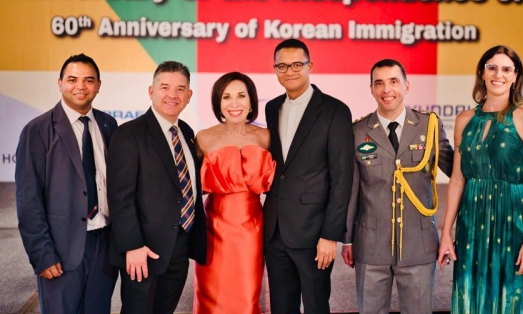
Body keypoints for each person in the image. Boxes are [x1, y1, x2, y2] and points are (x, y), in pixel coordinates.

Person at [437, 45, 523, 313]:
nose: (499, 74)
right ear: (482, 73)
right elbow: (458, 180)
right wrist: (446, 233)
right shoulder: (464, 119)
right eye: (492, 67)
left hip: (515, 223)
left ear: (515, 76)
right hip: (472, 222)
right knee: (471, 295)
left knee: (513, 298)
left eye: (506, 69)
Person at [341, 59, 454, 314]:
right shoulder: (357, 131)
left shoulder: (429, 126)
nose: (386, 89)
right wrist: (347, 240)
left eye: (393, 81)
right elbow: (351, 190)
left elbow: (457, 173)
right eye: (378, 83)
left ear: (406, 85)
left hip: (419, 243)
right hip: (370, 244)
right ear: (371, 89)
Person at [15, 53, 118, 313]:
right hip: (60, 251)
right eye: (72, 79)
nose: (80, 86)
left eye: (88, 80)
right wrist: (42, 254)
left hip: (104, 247)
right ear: (60, 82)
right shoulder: (37, 130)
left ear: (98, 85)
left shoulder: (109, 125)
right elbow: (29, 200)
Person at [107, 61, 207, 313]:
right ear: (151, 92)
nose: (172, 95)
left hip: (180, 246)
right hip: (143, 250)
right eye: (164, 87)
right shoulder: (129, 134)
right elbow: (120, 197)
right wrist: (131, 246)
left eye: (180, 89)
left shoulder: (185, 131)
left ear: (189, 95)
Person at [263, 39, 354, 314]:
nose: (289, 71)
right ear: (275, 68)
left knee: (316, 306)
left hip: (314, 233)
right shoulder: (272, 107)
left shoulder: (334, 110)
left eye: (296, 64)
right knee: (281, 306)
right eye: (281, 65)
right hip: (275, 230)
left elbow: (342, 177)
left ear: (309, 66)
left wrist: (330, 235)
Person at [192, 72, 275, 313]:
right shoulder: (204, 138)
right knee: (212, 298)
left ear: (252, 101)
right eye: (227, 97)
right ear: (218, 102)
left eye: (241, 96)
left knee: (247, 296)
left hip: (252, 230)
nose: (234, 103)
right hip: (213, 232)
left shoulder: (266, 137)